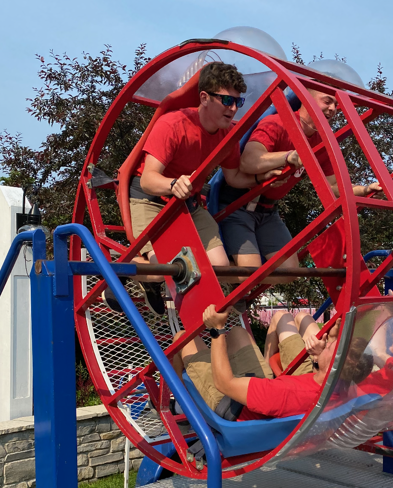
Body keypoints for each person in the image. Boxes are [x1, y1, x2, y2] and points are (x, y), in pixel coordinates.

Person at [105, 62, 281, 314]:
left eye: (238, 103)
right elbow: (148, 179)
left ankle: (202, 318)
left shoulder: (227, 136)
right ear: (204, 98)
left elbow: (233, 178)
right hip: (151, 198)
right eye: (227, 101)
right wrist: (173, 184)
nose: (233, 109)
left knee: (219, 267)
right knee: (165, 271)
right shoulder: (172, 124)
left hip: (187, 202)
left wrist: (262, 180)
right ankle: (122, 268)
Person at [217, 86, 383, 275]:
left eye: (336, 105)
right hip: (239, 203)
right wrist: (288, 157)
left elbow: (333, 186)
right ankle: (217, 280)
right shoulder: (277, 124)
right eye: (327, 101)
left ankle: (234, 288)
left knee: (290, 271)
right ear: (306, 99)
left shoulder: (322, 143)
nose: (333, 109)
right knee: (251, 271)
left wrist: (365, 190)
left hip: (268, 211)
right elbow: (248, 161)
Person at [179, 306, 338, 421]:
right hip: (259, 388)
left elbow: (224, 383)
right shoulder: (339, 387)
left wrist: (217, 329)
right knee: (237, 332)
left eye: (330, 347)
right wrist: (319, 355)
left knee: (182, 339)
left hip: (230, 403)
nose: (326, 343)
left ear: (331, 367)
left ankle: (182, 407)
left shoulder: (286, 393)